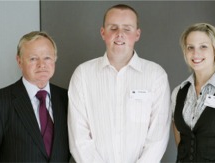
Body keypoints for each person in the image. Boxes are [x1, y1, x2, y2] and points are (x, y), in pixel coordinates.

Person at [68, 4, 171, 163]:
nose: (120, 34)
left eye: (127, 29)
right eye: (113, 28)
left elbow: (158, 137)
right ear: (103, 32)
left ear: (137, 34)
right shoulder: (82, 75)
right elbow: (79, 139)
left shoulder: (156, 75)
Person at [171, 23, 215, 162]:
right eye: (190, 47)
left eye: (203, 46)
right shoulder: (178, 92)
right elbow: (181, 143)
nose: (196, 53)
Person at [0, 31, 70, 162]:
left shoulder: (67, 98)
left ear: (55, 59)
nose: (41, 64)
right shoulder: (2, 100)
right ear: (19, 61)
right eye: (33, 58)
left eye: (47, 58)